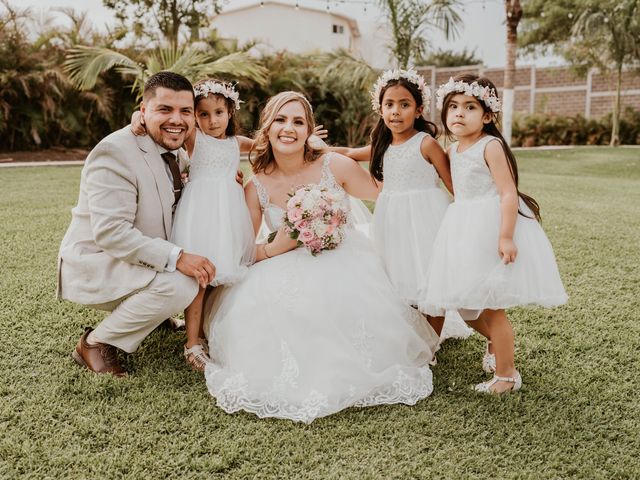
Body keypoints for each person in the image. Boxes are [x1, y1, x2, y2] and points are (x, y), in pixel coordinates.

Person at [202, 91, 440, 423]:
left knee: (342, 299)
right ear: (267, 129)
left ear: (309, 130)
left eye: (298, 121)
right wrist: (275, 247)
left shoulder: (334, 165)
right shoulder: (255, 187)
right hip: (282, 264)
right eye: (281, 120)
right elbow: (242, 253)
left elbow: (390, 197)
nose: (289, 128)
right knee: (279, 305)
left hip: (346, 257)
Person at [58, 71, 215, 377]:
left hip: (138, 257)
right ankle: (95, 343)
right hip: (100, 262)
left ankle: (152, 315)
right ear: (143, 111)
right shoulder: (114, 152)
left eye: (185, 111)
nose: (177, 120)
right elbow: (111, 233)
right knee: (184, 280)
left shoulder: (176, 151)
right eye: (165, 110)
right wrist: (179, 257)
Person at [424, 74, 568, 393]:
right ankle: (492, 341)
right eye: (453, 107)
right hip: (462, 227)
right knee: (464, 303)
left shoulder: (490, 146)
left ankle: (506, 375)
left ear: (487, 115)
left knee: (492, 305)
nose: (459, 113)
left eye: (470, 107)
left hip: (488, 227)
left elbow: (507, 193)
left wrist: (505, 236)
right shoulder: (453, 151)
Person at [322, 69, 472, 344]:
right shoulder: (381, 144)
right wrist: (316, 147)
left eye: (404, 105)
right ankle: (413, 335)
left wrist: (471, 215)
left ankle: (429, 346)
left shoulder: (426, 143)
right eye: (389, 104)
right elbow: (345, 153)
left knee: (429, 281)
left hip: (426, 219)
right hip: (392, 220)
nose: (396, 111)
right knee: (401, 279)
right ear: (380, 109)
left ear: (418, 110)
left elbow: (454, 186)